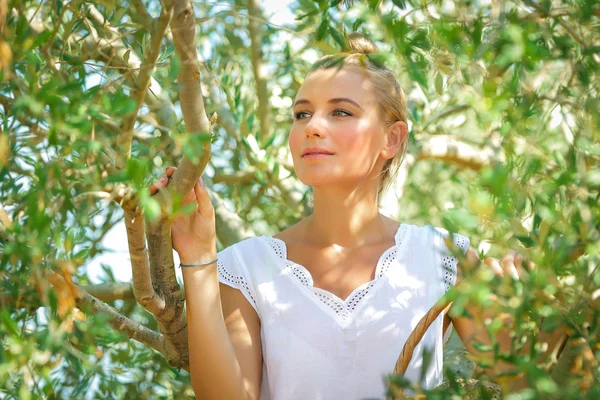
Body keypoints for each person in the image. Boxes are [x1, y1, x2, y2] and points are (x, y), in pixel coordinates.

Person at [149, 34, 553, 400]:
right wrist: (199, 257)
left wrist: (535, 306)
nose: (313, 127)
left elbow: (534, 383)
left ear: (392, 139)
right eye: (302, 114)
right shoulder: (245, 267)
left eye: (340, 112)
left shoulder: (444, 257)